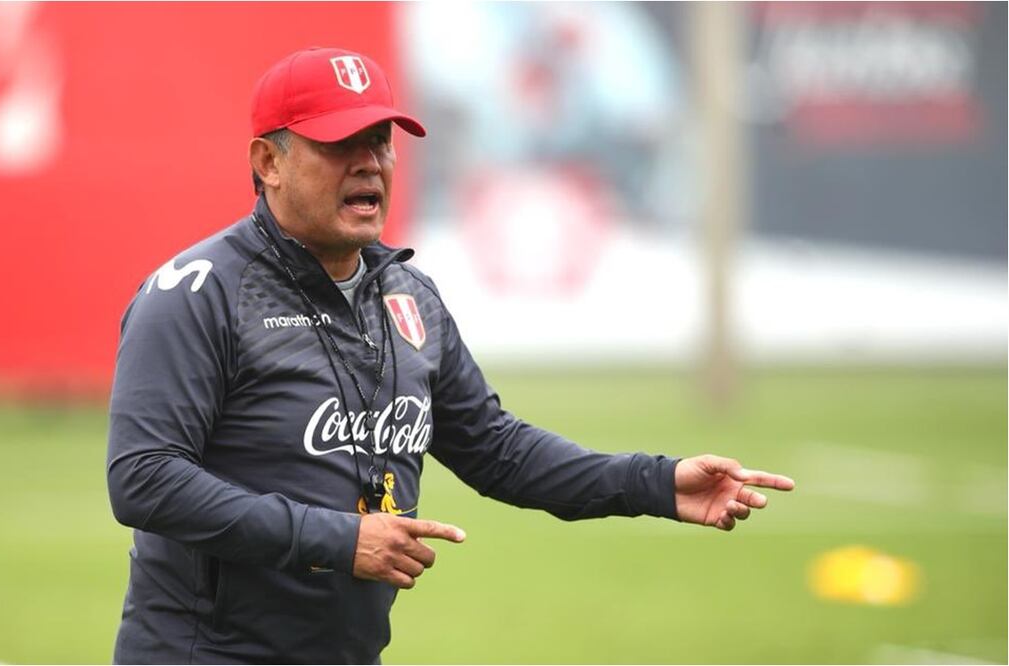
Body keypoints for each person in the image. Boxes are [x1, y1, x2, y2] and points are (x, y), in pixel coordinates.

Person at [106, 47, 795, 664]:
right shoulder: (196, 293)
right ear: (268, 163)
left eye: (380, 141)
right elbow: (143, 478)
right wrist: (339, 540)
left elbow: (494, 449)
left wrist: (654, 482)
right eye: (339, 143)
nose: (369, 162)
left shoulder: (409, 295)